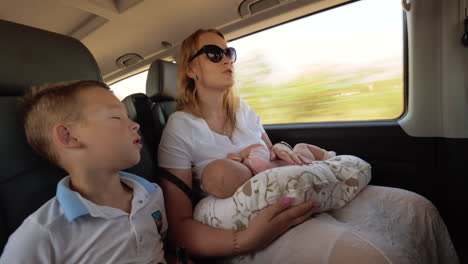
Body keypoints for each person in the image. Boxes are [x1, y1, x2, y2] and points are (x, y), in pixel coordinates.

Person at [158, 29, 459, 263]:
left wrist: (282, 149)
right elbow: (179, 228)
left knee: (418, 210)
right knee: (372, 257)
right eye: (213, 52)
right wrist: (246, 240)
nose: (226, 59)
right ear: (190, 69)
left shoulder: (245, 111)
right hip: (250, 229)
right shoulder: (180, 127)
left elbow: (270, 157)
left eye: (229, 52)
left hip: (295, 198)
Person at [0, 80, 170, 263]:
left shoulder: (151, 194)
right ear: (68, 136)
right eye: (116, 117)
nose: (135, 125)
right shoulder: (42, 234)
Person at [204, 142, 336, 198]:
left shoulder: (260, 186)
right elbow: (259, 146)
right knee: (300, 147)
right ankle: (328, 158)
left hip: (298, 172)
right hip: (298, 161)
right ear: (233, 161)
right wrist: (241, 154)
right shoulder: (254, 160)